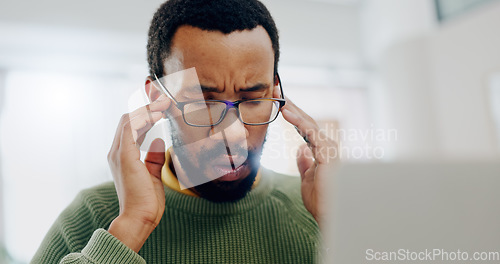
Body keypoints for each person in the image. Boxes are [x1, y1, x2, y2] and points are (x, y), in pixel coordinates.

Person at [31, 0, 336, 263]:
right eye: (202, 101)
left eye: (253, 98)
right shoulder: (93, 217)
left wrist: (339, 226)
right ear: (156, 99)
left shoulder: (318, 211)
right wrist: (132, 227)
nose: (233, 136)